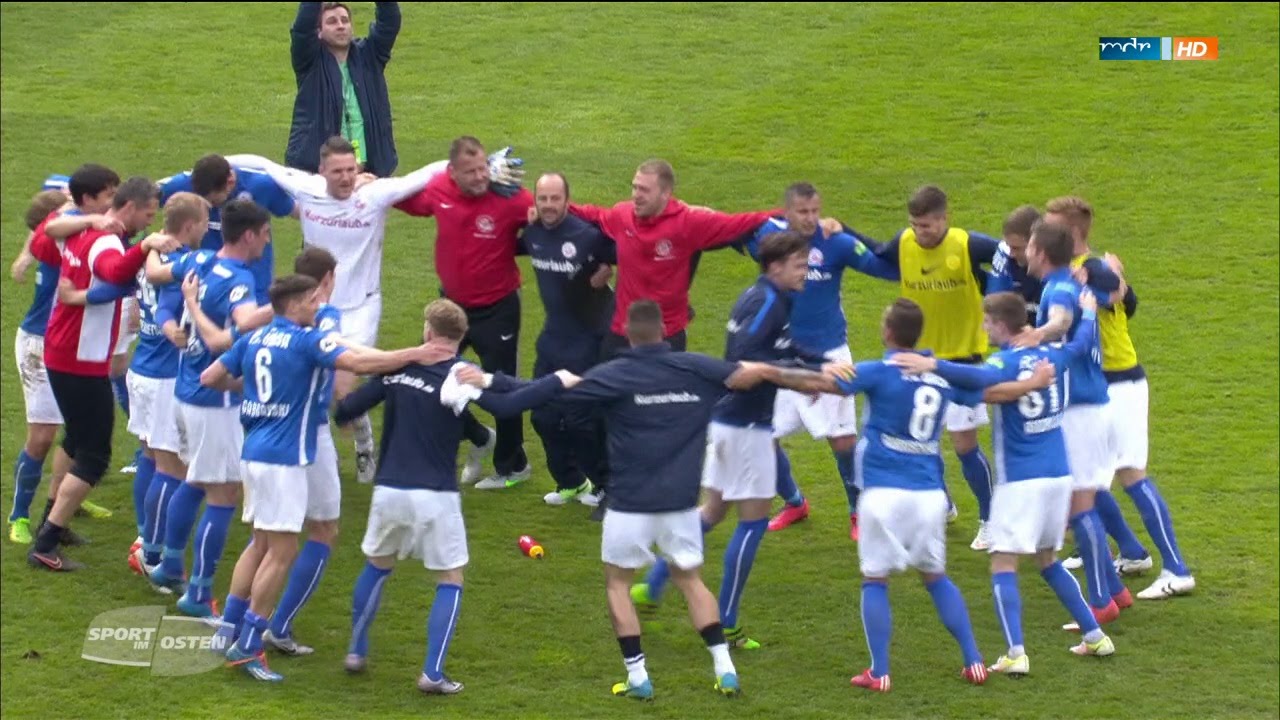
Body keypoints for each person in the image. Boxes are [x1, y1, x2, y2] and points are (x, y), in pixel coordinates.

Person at [556, 300, 811, 700]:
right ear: (663, 330)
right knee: (690, 580)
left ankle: (638, 677)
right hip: (678, 502)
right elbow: (743, 376)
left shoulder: (614, 374)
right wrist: (804, 375)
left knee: (618, 585)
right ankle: (724, 668)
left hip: (628, 503)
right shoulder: (695, 367)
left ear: (626, 330)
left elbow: (568, 405)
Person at [205, 275, 442, 682]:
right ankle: (248, 646)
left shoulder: (254, 339)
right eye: (311, 302)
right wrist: (416, 353)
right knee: (281, 553)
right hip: (284, 460)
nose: (316, 307)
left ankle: (228, 627)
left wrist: (260, 395)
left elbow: (211, 377)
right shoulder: (304, 341)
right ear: (294, 304)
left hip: (254, 453)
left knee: (259, 543)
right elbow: (360, 364)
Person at [334, 299, 576, 693]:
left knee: (377, 567)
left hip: (390, 489)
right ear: (460, 339)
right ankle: (432, 673)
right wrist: (556, 381)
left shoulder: (398, 366)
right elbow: (508, 403)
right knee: (450, 577)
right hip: (435, 494)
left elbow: (348, 409)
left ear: (429, 331)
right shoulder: (460, 375)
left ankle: (356, 651)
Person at [768, 298, 1002, 692]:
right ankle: (974, 659)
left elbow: (821, 384)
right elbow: (985, 386)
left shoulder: (876, 372)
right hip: (929, 496)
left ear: (888, 333)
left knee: (875, 580)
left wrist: (769, 372)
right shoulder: (939, 378)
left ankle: (879, 671)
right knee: (936, 578)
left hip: (882, 493)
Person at [892, 291, 1118, 674]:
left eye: (986, 322)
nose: (983, 328)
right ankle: (1095, 636)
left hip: (1022, 481)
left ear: (1000, 324)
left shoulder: (1007, 361)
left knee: (1002, 562)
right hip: (1059, 475)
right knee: (1048, 560)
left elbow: (978, 375)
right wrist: (1090, 312)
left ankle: (1015, 653)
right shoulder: (1054, 357)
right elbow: (1080, 345)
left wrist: (931, 363)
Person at [635, 230, 833, 649]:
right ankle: (725, 620)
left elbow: (778, 345)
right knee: (754, 520)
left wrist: (811, 362)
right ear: (776, 266)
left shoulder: (767, 298)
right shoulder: (766, 302)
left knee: (711, 511)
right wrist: (800, 377)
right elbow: (746, 356)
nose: (806, 271)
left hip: (729, 421)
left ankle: (651, 586)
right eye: (800, 265)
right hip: (747, 425)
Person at [226, 140, 449, 483]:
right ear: (322, 172)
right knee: (311, 381)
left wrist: (478, 165)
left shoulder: (375, 195)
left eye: (351, 170)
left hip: (361, 306)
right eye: (338, 171)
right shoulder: (308, 189)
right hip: (312, 306)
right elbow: (262, 162)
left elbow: (425, 174)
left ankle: (363, 446)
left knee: (340, 389)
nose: (346, 178)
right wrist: (219, 162)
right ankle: (314, 458)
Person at [1044, 196, 1194, 600]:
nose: (1042, 231)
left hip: (1120, 383)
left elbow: (1115, 291)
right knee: (1089, 476)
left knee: (1129, 473)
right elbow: (1129, 300)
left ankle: (1177, 569)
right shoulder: (1076, 272)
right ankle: (1130, 550)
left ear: (1072, 233)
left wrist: (1105, 279)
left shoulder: (1089, 269)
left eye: (1051, 225)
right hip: (1099, 384)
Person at [25, 169, 175, 571]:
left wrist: (86, 290)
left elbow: (47, 238)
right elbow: (113, 271)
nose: (150, 222)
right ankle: (46, 542)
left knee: (75, 441)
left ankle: (53, 520)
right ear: (129, 206)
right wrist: (145, 250)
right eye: (148, 214)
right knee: (95, 455)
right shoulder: (107, 240)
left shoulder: (81, 231)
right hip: (79, 357)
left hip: (65, 351)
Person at [144, 201, 275, 615]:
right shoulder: (240, 281)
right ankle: (198, 593)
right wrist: (284, 307)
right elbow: (234, 331)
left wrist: (149, 242)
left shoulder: (198, 259)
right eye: (266, 233)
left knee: (195, 480)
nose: (269, 240)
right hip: (214, 400)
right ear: (250, 235)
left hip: (185, 391)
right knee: (223, 493)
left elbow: (154, 273)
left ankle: (168, 563)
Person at [751, 182, 899, 541]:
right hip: (782, 355)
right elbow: (726, 232)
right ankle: (795, 501)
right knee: (761, 437)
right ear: (787, 212)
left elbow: (887, 268)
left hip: (830, 354)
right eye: (802, 212)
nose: (811, 219)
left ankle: (857, 511)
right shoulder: (769, 239)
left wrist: (847, 227)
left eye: (815, 211)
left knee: (843, 441)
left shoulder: (838, 243)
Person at [393, 136, 537, 488]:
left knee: (501, 387)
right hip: (450, 309)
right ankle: (476, 436)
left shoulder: (510, 197)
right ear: (452, 172)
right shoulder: (439, 189)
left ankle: (512, 466)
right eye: (469, 172)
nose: (479, 178)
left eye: (481, 169)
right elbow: (404, 200)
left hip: (497, 308)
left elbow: (546, 221)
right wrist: (371, 187)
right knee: (425, 378)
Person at [862, 185, 1000, 551]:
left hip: (962, 361)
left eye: (927, 225)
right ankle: (944, 505)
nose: (920, 232)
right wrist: (840, 229)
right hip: (918, 359)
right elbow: (876, 254)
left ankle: (990, 518)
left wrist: (993, 287)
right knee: (922, 441)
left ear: (944, 219)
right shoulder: (904, 242)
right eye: (915, 225)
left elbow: (1008, 255)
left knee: (964, 444)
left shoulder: (967, 244)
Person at [1018, 221, 1129, 627]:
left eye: (1029, 246)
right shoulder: (1069, 284)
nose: (1024, 253)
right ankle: (1115, 589)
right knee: (1083, 503)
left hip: (1081, 411)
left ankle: (1100, 600)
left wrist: (1038, 334)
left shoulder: (1060, 289)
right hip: (1090, 406)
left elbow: (1063, 323)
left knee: (1080, 509)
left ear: (1042, 253)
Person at [570, 159, 778, 357]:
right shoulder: (622, 215)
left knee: (661, 393)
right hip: (623, 331)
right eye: (635, 187)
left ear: (665, 193)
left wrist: (792, 215)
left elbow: (741, 222)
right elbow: (591, 214)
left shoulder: (687, 223)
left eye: (644, 190)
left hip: (666, 335)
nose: (636, 195)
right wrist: (546, 206)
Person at [261, 247, 345, 655]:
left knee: (264, 537)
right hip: (307, 435)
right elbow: (346, 367)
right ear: (327, 279)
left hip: (264, 430)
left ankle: (238, 623)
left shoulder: (271, 321)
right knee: (319, 530)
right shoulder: (325, 317)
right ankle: (273, 626)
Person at [520, 172, 614, 504]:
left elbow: (626, 250)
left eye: (554, 198)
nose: (548, 205)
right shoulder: (531, 232)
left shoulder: (586, 235)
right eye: (542, 198)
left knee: (580, 419)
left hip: (589, 337)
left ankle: (605, 485)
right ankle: (570, 481)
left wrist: (606, 271)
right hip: (554, 336)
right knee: (542, 415)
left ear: (566, 200)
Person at [9, 187, 81, 545]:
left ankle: (65, 502)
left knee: (81, 430)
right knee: (41, 437)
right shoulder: (55, 248)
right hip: (40, 344)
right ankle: (19, 515)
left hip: (72, 344)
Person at [159, 153, 298, 306]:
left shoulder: (261, 186)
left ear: (230, 182)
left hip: (254, 286)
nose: (207, 206)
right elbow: (141, 196)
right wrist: (152, 240)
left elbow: (298, 211)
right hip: (207, 287)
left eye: (212, 200)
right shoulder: (185, 184)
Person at [287, 2, 401, 177]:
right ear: (319, 31)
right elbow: (302, 28)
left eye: (345, 20)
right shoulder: (309, 61)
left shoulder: (370, 56)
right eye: (332, 22)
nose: (340, 26)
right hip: (318, 176)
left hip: (369, 174)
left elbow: (390, 22)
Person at [986, 204, 1043, 326]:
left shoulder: (1061, 269)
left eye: (1017, 248)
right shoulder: (1005, 257)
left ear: (1037, 244)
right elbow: (994, 309)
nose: (1011, 253)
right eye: (1009, 246)